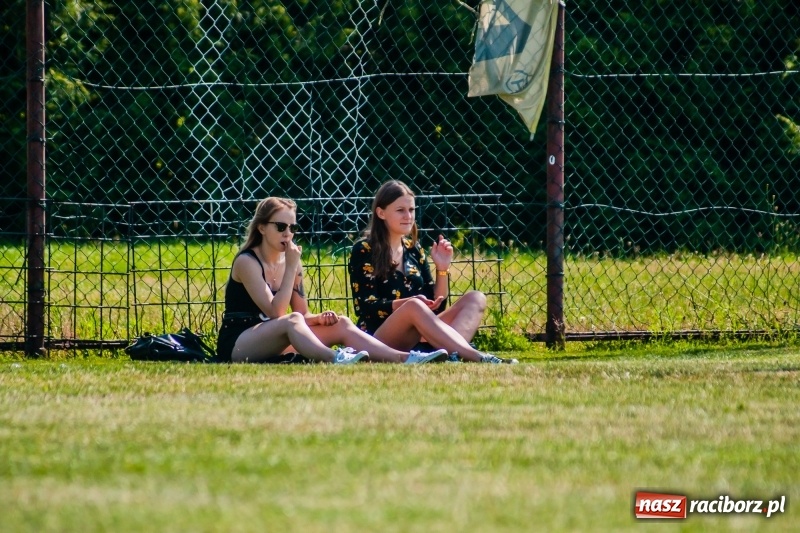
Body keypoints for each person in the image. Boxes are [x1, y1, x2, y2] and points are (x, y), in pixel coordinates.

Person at [217, 197, 448, 364]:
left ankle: (405, 358)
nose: (288, 233)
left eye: (293, 227)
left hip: (276, 337)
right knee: (291, 320)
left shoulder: (291, 260)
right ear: (261, 228)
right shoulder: (247, 262)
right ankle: (336, 358)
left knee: (343, 323)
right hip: (239, 342)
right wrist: (290, 268)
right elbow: (278, 313)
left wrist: (320, 318)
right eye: (280, 227)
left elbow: (302, 315)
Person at [348, 180, 518, 364]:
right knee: (414, 307)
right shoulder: (364, 249)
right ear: (381, 213)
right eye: (400, 210)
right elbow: (366, 306)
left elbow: (436, 304)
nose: (408, 216)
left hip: (419, 335)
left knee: (476, 298)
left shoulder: (414, 249)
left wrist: (442, 268)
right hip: (379, 338)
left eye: (411, 210)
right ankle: (475, 357)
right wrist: (409, 304)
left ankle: (451, 355)